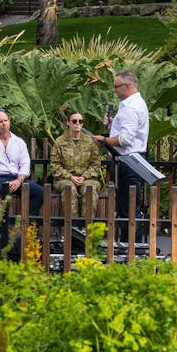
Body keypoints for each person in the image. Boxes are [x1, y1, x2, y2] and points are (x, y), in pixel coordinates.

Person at [95, 70, 150, 242]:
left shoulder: (131, 107)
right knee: (127, 207)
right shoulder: (132, 104)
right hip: (133, 160)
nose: (115, 90)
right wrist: (114, 125)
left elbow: (125, 140)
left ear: (128, 86)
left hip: (130, 161)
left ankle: (133, 247)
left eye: (117, 87)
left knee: (130, 208)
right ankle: (129, 246)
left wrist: (104, 139)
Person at [0, 109, 44, 222]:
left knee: (40, 192)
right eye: (0, 122)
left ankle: (25, 225)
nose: (4, 124)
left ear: (9, 122)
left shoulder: (19, 142)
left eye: (5, 120)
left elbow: (25, 164)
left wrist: (19, 180)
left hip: (16, 178)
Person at [49, 111, 103, 218]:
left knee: (90, 189)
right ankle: (72, 227)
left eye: (80, 121)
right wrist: (70, 177)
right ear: (68, 123)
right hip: (64, 179)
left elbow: (95, 164)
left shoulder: (90, 142)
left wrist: (84, 176)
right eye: (74, 121)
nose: (77, 123)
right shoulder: (60, 142)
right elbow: (55, 165)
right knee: (69, 188)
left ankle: (86, 227)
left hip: (87, 178)